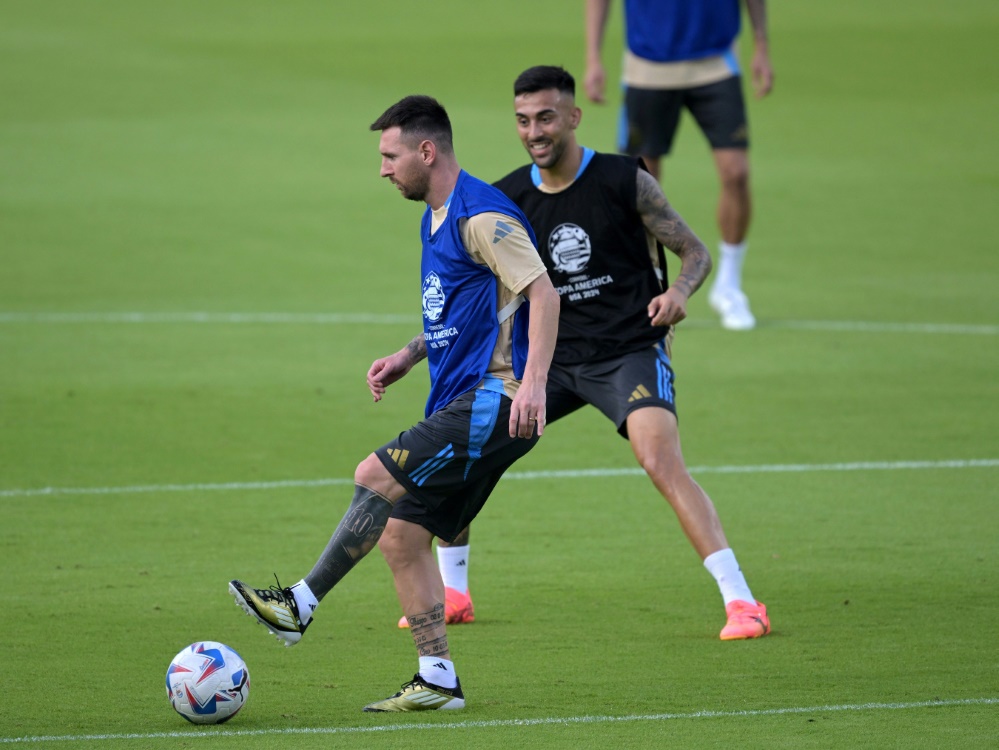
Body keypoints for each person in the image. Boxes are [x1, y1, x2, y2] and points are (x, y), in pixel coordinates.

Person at [401, 66, 769, 641]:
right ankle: (454, 592)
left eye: (546, 117)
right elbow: (470, 308)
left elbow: (694, 251)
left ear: (573, 117)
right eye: (523, 120)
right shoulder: (505, 200)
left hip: (627, 351)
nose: (534, 131)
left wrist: (678, 291)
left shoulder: (626, 180)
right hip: (543, 360)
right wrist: (411, 353)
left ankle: (742, 601)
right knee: (462, 444)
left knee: (658, 458)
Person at [229, 95, 560, 712]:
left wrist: (535, 379)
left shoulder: (483, 216)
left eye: (391, 154)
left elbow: (543, 293)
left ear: (426, 150)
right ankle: (437, 679)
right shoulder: (434, 217)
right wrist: (411, 354)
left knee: (372, 475)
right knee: (402, 537)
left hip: (497, 400)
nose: (383, 168)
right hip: (466, 398)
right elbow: (460, 311)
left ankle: (298, 604)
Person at [584, 0, 774, 330]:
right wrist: (593, 57)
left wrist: (761, 43)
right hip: (648, 65)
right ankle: (642, 283)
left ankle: (729, 285)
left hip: (716, 61)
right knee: (641, 182)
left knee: (736, 172)